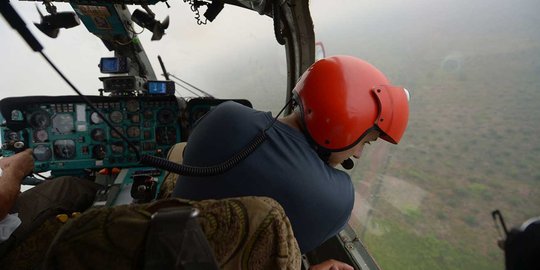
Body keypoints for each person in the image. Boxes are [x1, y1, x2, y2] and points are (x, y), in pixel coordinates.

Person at [172, 55, 410, 259]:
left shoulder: (224, 114)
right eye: (365, 142)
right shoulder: (334, 198)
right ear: (345, 125)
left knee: (178, 150)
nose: (357, 154)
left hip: (161, 243)